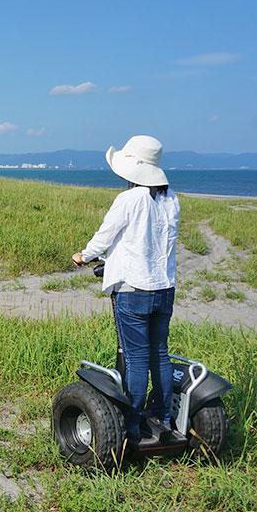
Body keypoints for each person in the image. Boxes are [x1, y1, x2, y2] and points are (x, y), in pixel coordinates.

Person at [72, 135, 180, 443]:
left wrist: (84, 255)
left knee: (135, 358)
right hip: (164, 288)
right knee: (159, 353)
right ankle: (162, 415)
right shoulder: (171, 198)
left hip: (133, 290)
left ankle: (132, 424)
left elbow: (104, 238)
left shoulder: (128, 200)